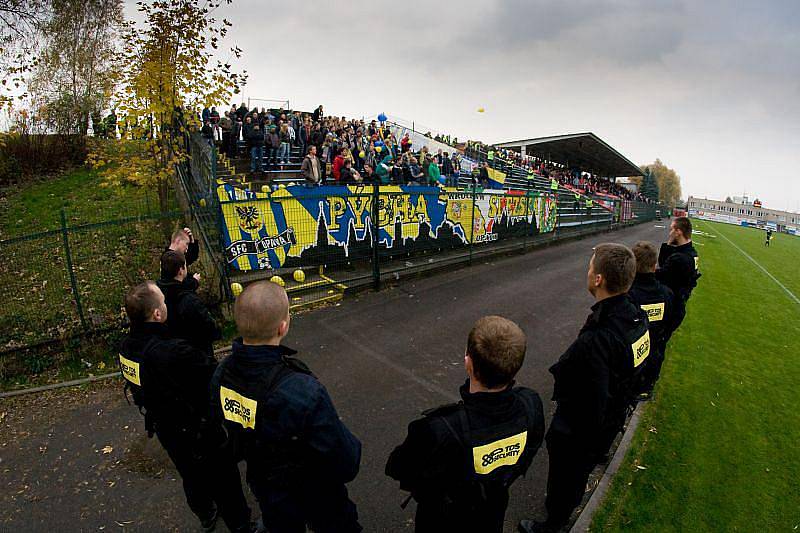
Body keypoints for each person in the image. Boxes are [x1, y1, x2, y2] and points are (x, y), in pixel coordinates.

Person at [210, 281, 362, 533]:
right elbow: (346, 461)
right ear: (283, 326)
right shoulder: (301, 390)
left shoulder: (222, 374)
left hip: (267, 488)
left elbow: (226, 432)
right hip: (318, 493)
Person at [518, 243, 650, 533]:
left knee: (568, 477)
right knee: (577, 474)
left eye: (591, 267)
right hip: (612, 417)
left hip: (582, 432)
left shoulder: (597, 339)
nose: (588, 271)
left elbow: (586, 399)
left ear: (599, 279)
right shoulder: (635, 316)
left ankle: (554, 523)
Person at [386, 316, 545, 533]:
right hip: (493, 509)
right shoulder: (530, 405)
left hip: (442, 519)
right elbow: (531, 447)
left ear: (468, 363)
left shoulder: (438, 429)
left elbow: (399, 468)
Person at [119, 282, 252, 532]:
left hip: (164, 426)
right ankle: (241, 523)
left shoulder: (126, 347)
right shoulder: (172, 352)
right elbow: (212, 374)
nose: (166, 305)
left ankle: (205, 512)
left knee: (189, 473)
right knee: (224, 476)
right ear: (157, 314)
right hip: (197, 427)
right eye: (163, 302)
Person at [629, 241, 679, 397]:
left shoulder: (628, 296)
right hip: (652, 358)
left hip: (629, 365)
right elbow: (674, 319)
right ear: (654, 264)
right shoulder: (667, 294)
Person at [157, 250, 221, 357]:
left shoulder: (156, 294)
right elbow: (209, 327)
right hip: (195, 354)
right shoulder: (190, 301)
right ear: (181, 270)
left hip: (170, 352)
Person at [656, 216, 700, 328]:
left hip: (670, 308)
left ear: (678, 232)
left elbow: (660, 274)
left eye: (672, 229)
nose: (670, 233)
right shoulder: (692, 253)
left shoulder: (679, 258)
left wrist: (668, 244)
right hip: (679, 305)